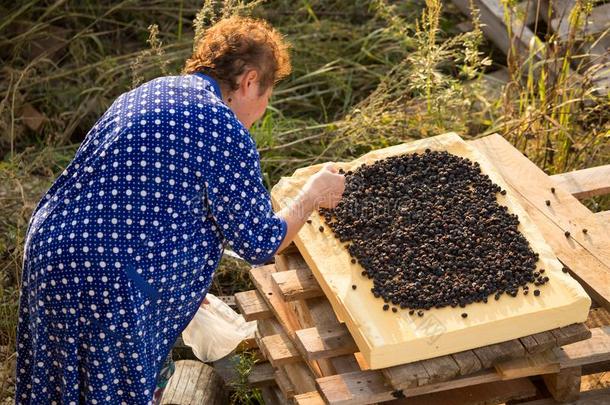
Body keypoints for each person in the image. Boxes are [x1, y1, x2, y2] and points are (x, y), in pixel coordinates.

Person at [15, 16, 345, 404]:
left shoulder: (151, 92)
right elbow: (261, 242)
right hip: (109, 281)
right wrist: (311, 195)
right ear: (250, 80)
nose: (262, 110)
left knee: (59, 389)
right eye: (266, 96)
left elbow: (139, 202)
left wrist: (181, 285)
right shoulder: (220, 125)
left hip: (49, 252)